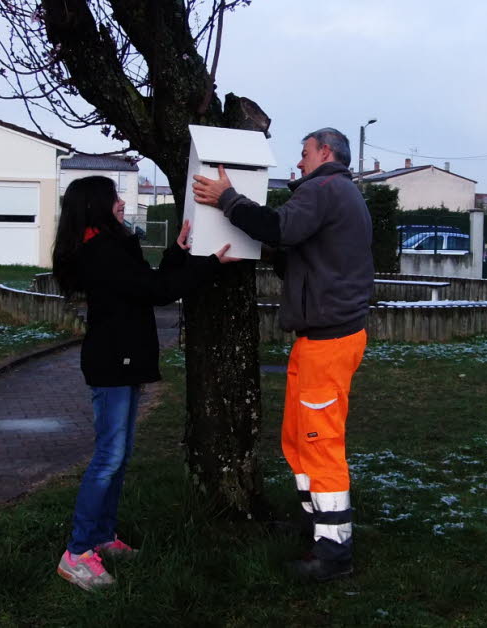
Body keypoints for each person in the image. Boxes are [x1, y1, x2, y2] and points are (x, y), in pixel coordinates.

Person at [193, 127, 374, 582]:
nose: (299, 163)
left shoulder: (325, 188)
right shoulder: (339, 193)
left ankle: (334, 555)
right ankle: (319, 529)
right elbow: (300, 251)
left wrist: (228, 199)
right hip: (320, 339)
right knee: (298, 439)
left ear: (326, 152)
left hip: (328, 341)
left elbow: (279, 227)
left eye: (304, 153)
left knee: (320, 443)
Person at [52, 175, 235, 591]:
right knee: (109, 458)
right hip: (113, 362)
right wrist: (207, 263)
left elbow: (147, 284)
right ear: (98, 205)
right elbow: (157, 291)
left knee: (119, 453)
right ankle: (77, 552)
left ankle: (101, 536)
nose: (121, 204)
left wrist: (178, 251)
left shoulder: (111, 245)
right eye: (115, 198)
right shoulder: (100, 251)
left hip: (123, 360)